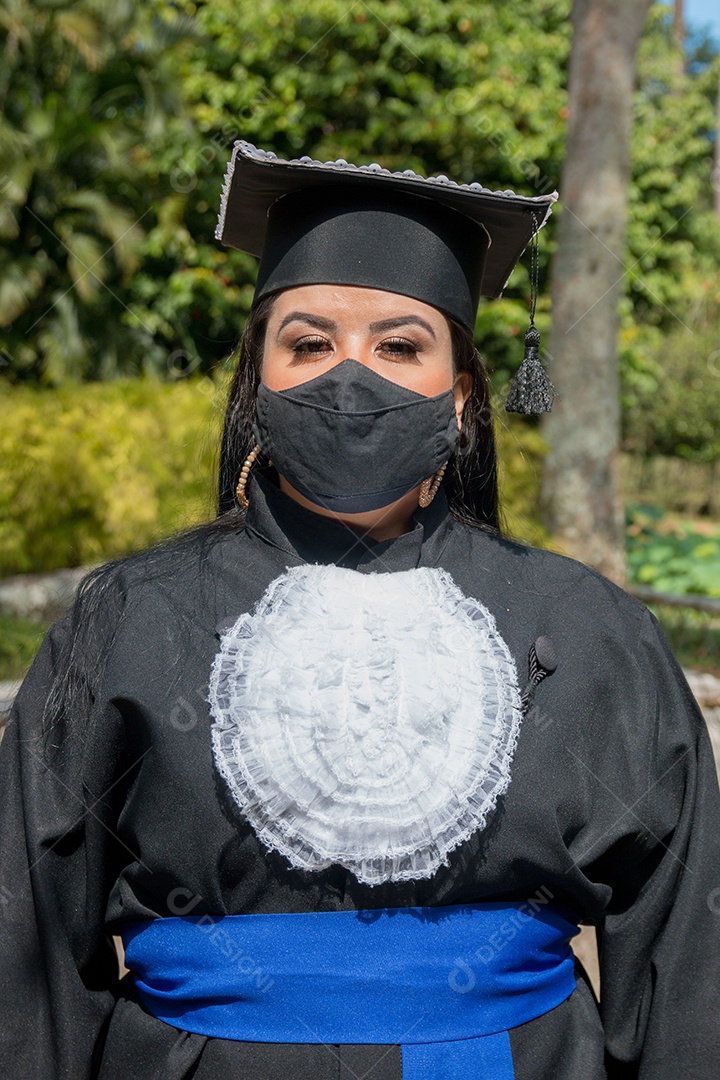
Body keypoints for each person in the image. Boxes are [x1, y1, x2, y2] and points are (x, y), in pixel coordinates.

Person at [1, 140, 719, 1080]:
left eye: (398, 346)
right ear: (255, 387)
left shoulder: (590, 630)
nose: (352, 378)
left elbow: (686, 968)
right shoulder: (127, 623)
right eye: (308, 344)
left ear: (462, 400)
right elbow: (29, 951)